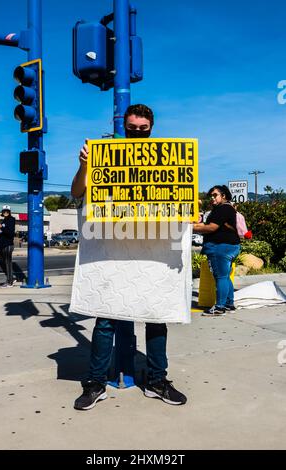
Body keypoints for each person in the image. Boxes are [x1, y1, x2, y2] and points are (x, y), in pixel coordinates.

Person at [71, 104, 187, 410]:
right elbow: (76, 193)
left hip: (152, 251)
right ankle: (96, 382)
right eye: (132, 128)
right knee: (105, 317)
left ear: (151, 127)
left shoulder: (168, 160)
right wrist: (85, 166)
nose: (137, 133)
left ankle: (156, 380)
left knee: (156, 316)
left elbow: (179, 202)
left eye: (142, 129)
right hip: (114, 250)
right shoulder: (103, 155)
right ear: (124, 125)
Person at [193, 185, 241, 316]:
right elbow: (208, 225)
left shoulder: (223, 209)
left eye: (215, 195)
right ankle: (229, 304)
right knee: (225, 276)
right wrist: (194, 224)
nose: (212, 198)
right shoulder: (225, 208)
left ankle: (219, 307)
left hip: (220, 247)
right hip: (230, 246)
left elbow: (211, 228)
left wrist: (192, 229)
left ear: (223, 195)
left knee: (220, 277)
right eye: (211, 196)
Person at [0, 205, 16, 288]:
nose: (5, 212)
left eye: (7, 211)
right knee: (2, 262)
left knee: (8, 263)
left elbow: (10, 233)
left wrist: (2, 228)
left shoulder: (11, 220)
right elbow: (1, 233)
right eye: (4, 211)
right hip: (2, 245)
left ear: (9, 212)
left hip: (8, 244)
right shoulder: (3, 221)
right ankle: (10, 278)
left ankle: (10, 282)